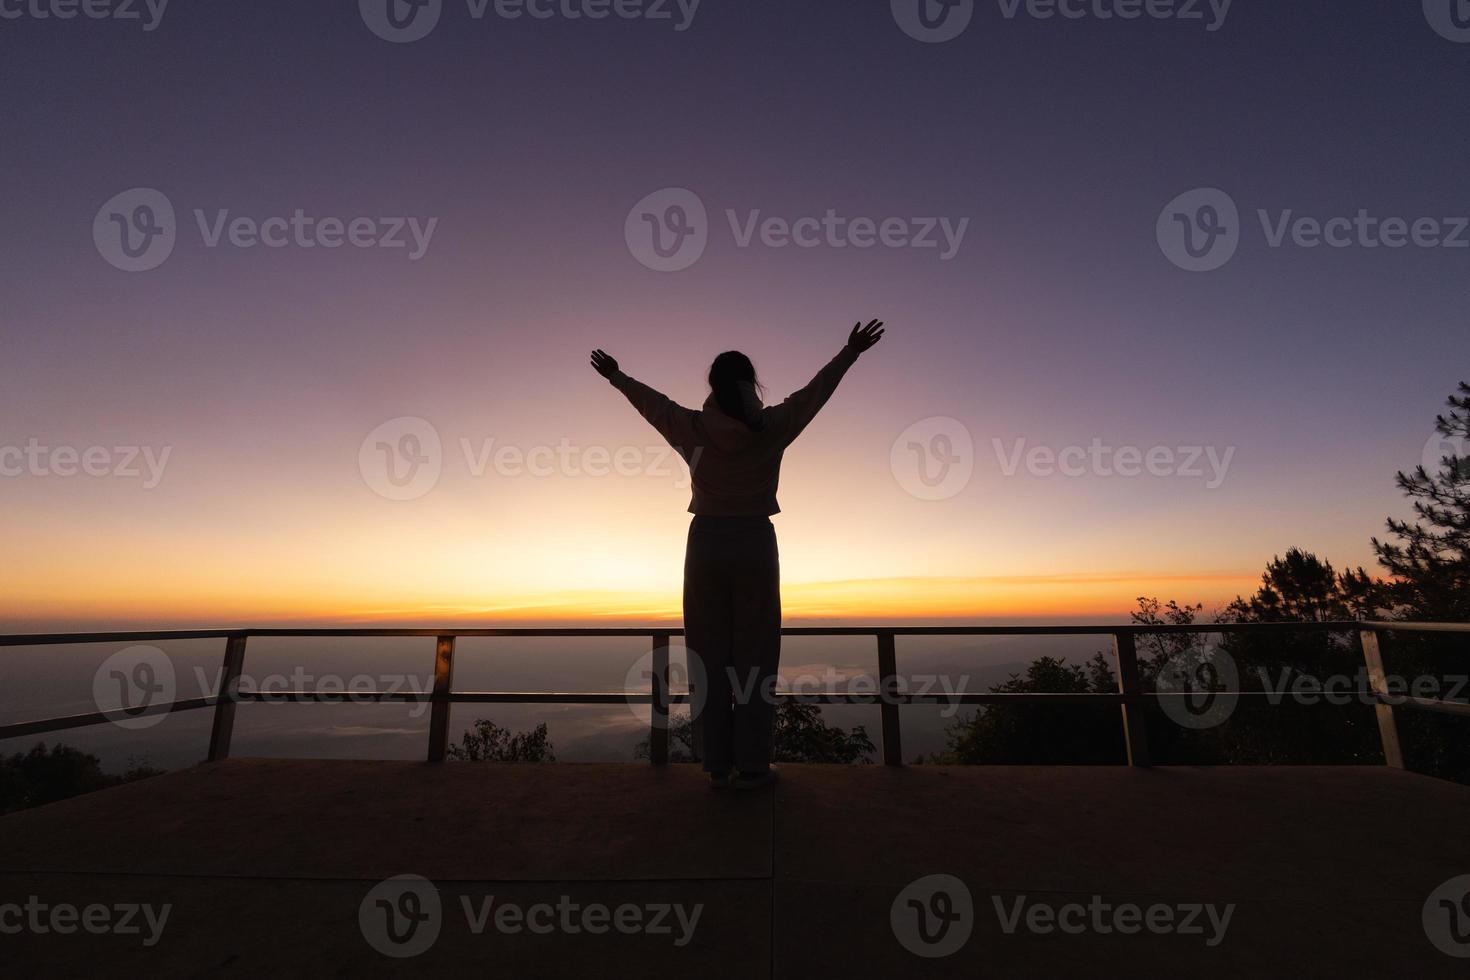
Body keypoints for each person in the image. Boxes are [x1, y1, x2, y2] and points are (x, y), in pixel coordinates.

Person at [590, 320, 885, 790]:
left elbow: (653, 406)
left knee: (707, 654)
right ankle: (752, 763)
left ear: (714, 386)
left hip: (705, 543)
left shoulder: (693, 429)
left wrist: (617, 377)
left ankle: (716, 765)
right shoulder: (772, 428)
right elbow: (815, 394)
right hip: (754, 543)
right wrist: (849, 352)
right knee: (756, 655)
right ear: (752, 384)